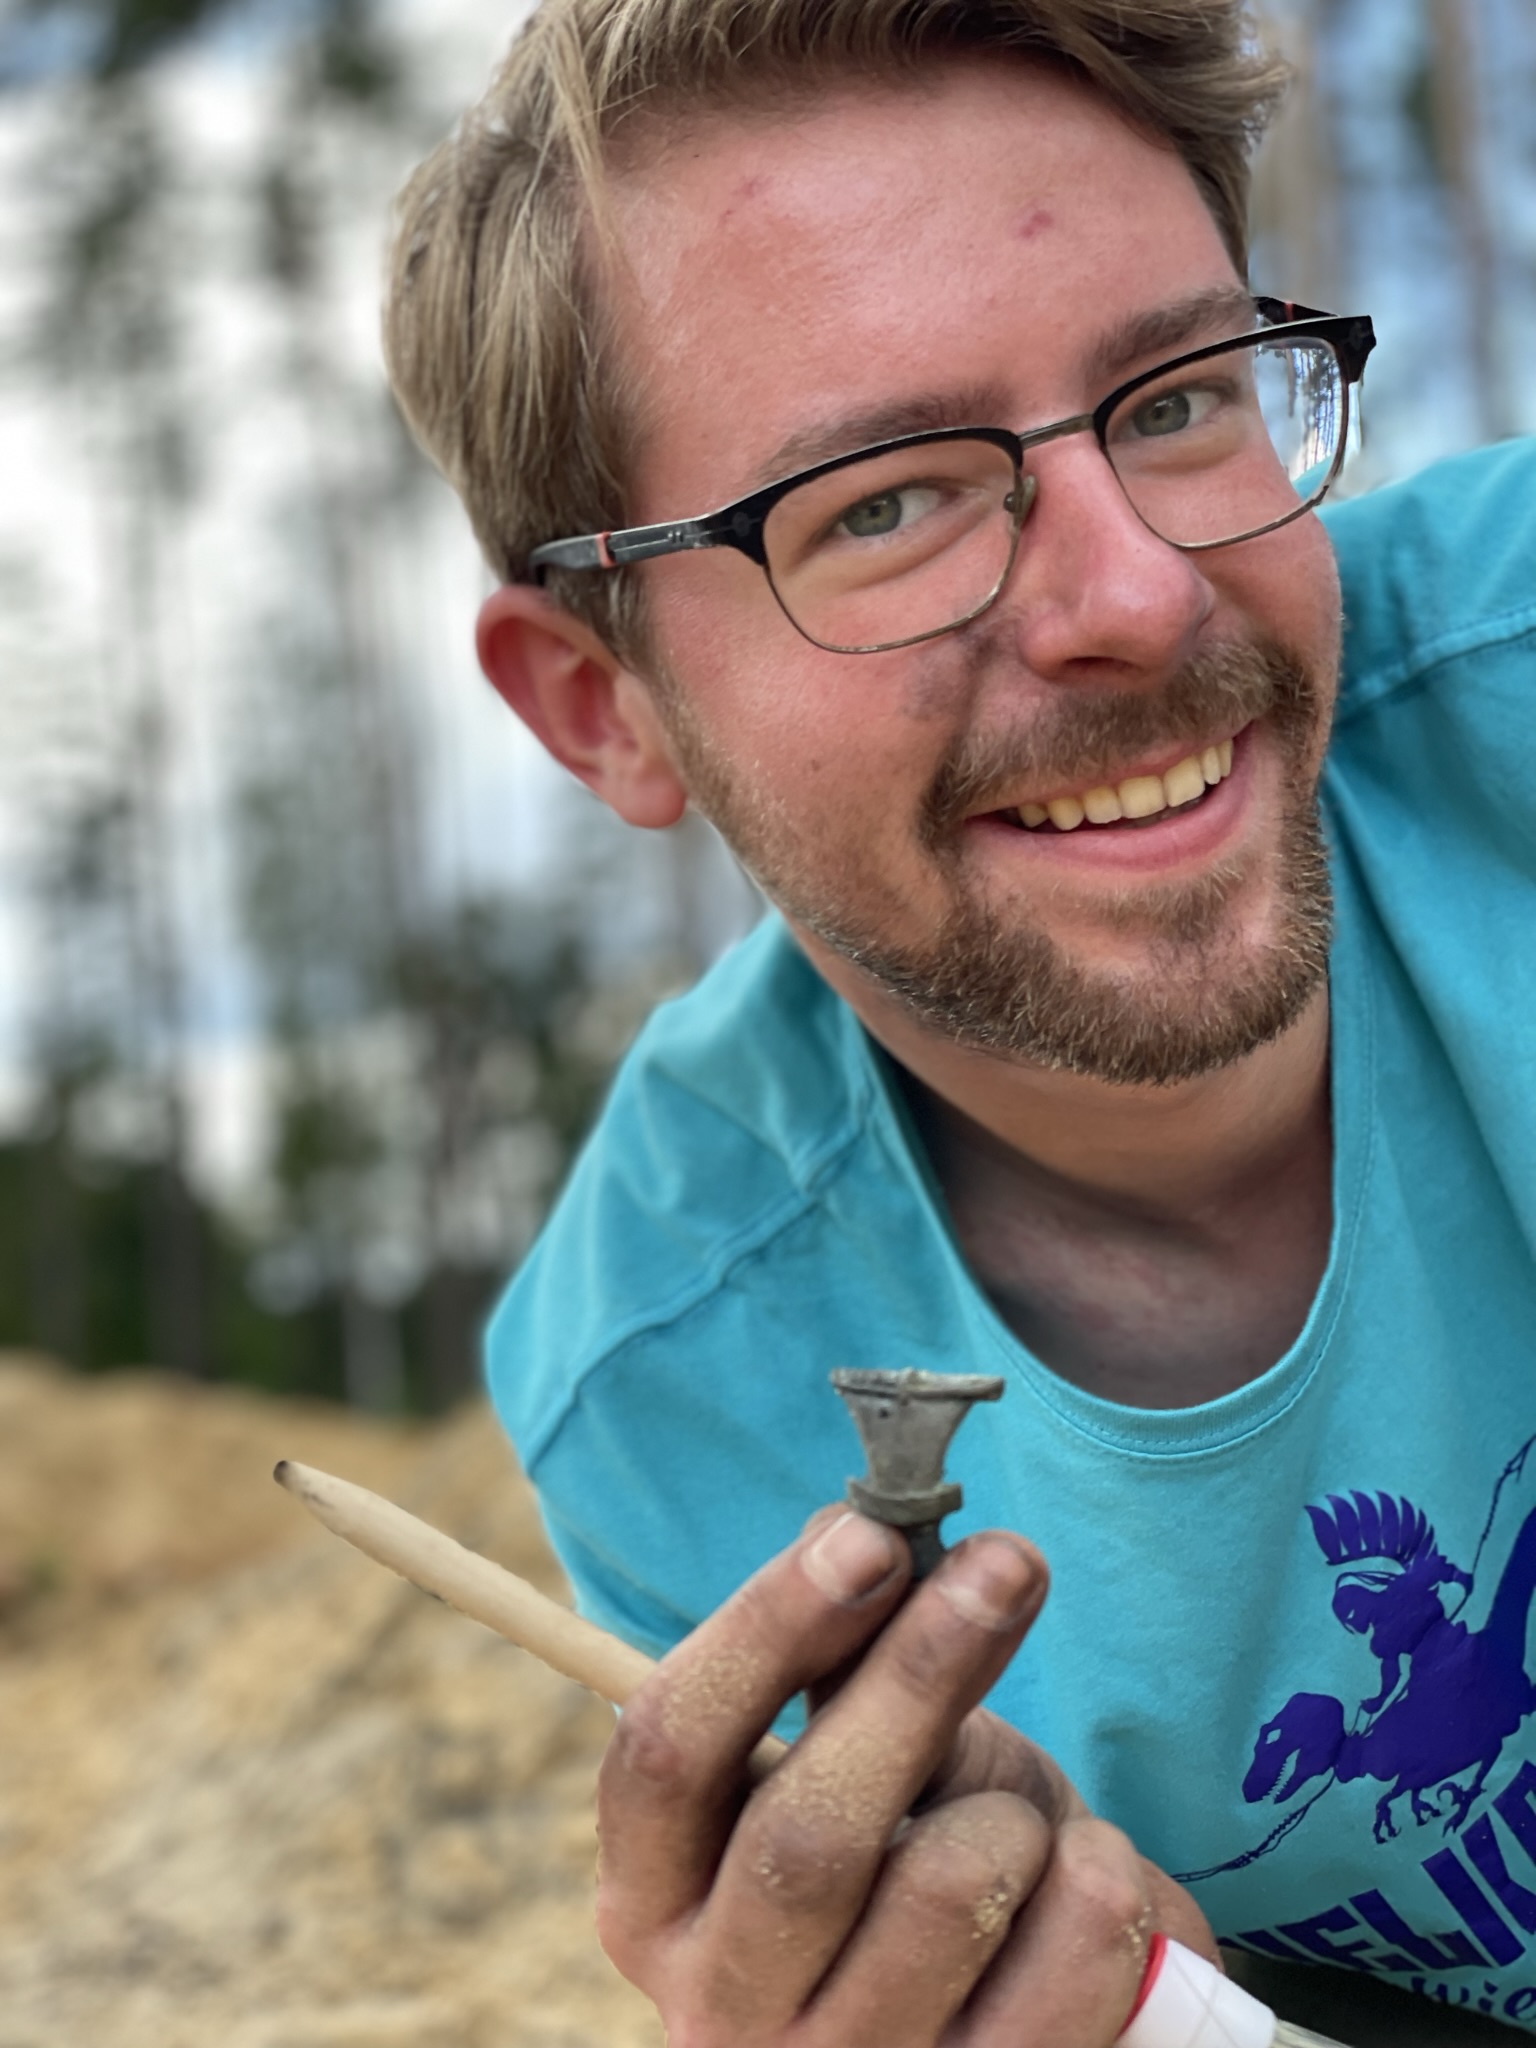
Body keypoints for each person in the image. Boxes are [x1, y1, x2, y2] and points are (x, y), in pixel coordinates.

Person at [383, 1, 1536, 2038]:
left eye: (1179, 401)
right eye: (887, 504)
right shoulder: (679, 1388)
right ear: (604, 705)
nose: (1140, 597)